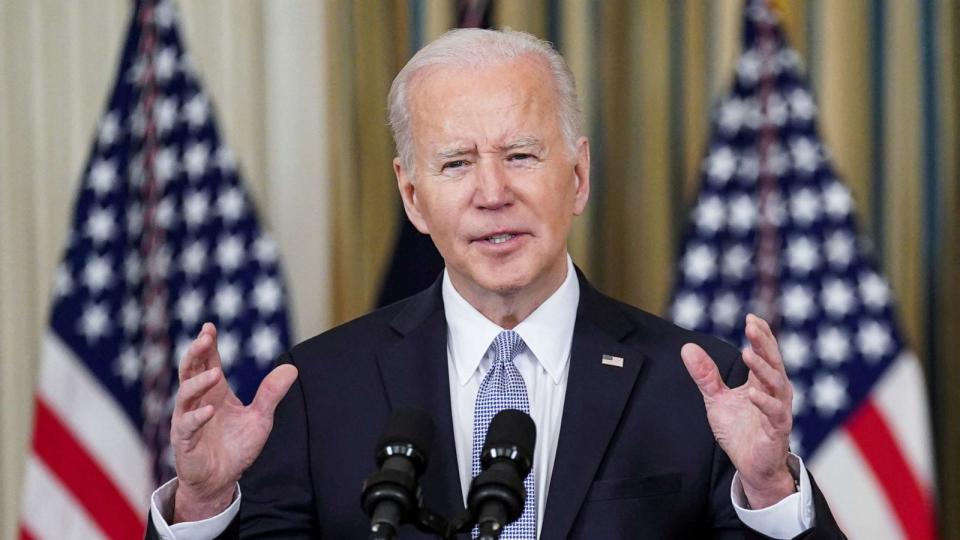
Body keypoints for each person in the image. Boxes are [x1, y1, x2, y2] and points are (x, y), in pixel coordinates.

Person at [147, 29, 844, 539]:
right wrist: (204, 506)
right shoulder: (318, 390)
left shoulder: (699, 385)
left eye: (519, 154)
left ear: (576, 176)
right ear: (413, 196)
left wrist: (770, 487)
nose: (492, 192)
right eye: (455, 163)